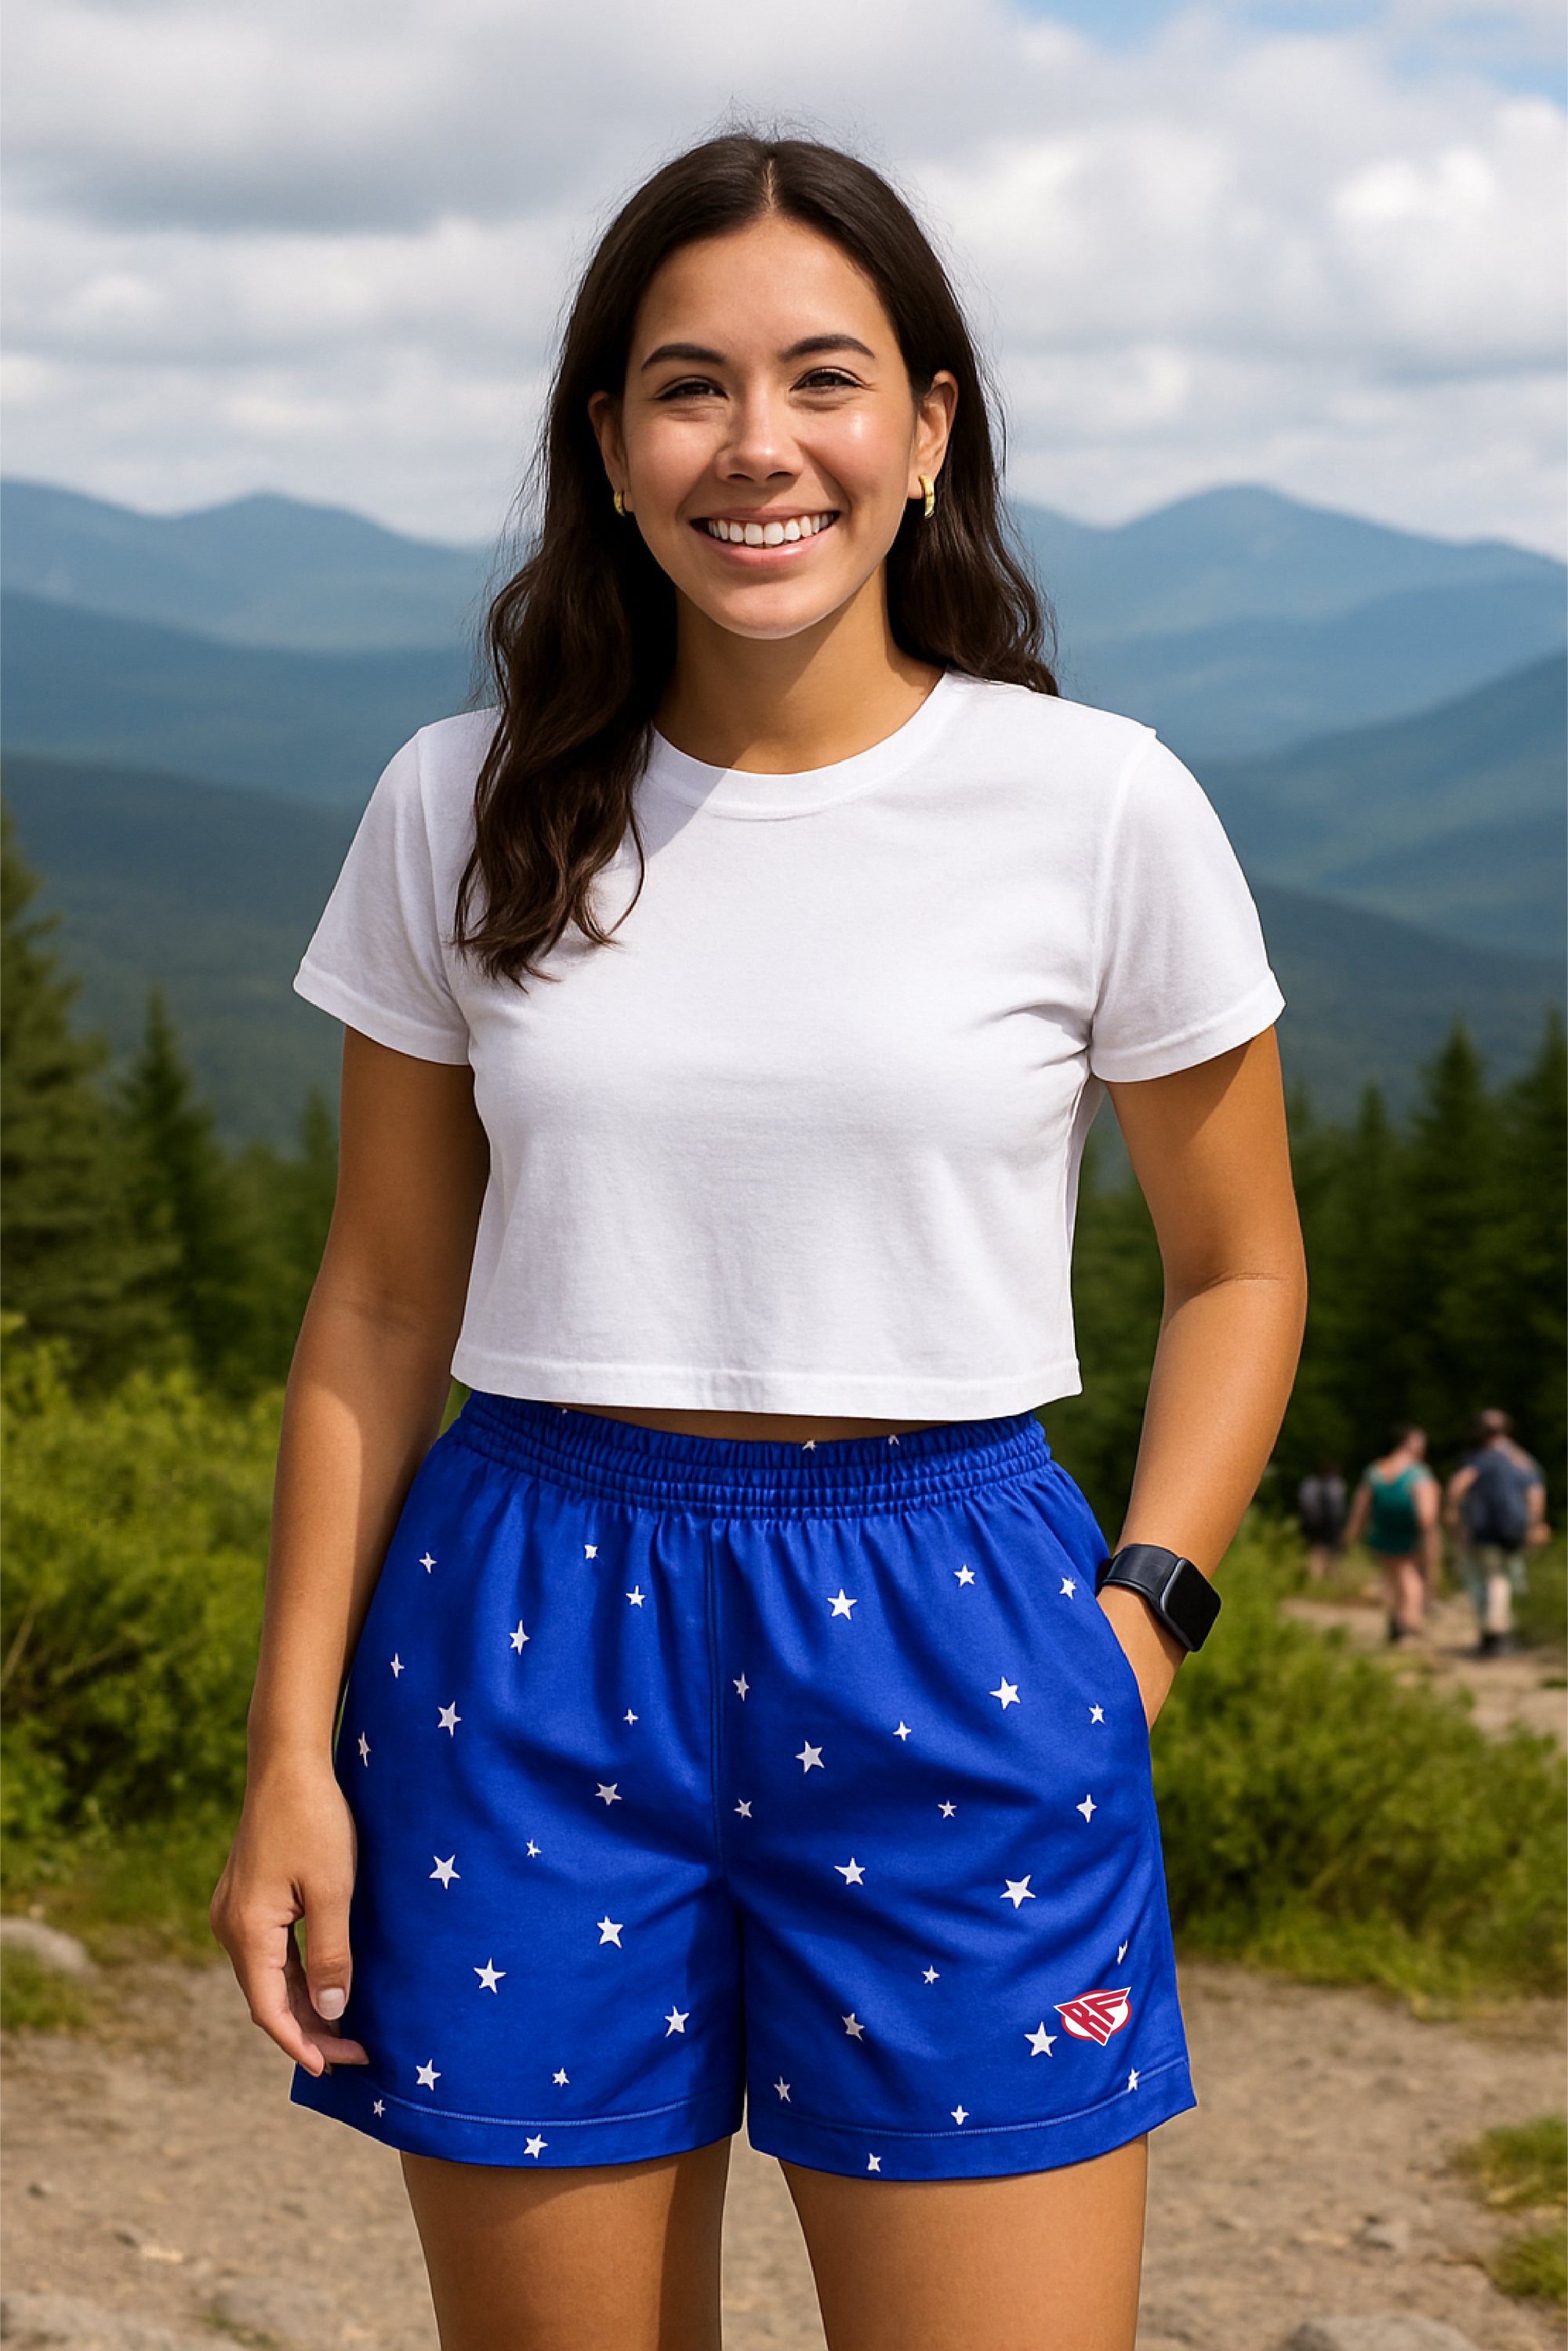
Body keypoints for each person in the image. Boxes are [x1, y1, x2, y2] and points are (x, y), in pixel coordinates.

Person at [210, 134, 1305, 2351]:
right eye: (686, 385)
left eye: (825, 377)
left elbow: (1240, 1266)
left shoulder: (1101, 806)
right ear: (609, 450)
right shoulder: (463, 792)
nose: (757, 444)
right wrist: (291, 1742)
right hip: (523, 1626)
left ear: (929, 425)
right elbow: (382, 1298)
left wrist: (1142, 1625)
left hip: (960, 1620)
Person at [1446, 1410, 1550, 1657]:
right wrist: (1534, 1525)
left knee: (1489, 1579)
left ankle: (1492, 1631)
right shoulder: (1522, 1459)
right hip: (1513, 1529)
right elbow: (1536, 1494)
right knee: (1503, 1578)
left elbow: (1459, 1484)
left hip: (1483, 1529)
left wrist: (1452, 1512)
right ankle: (1499, 1632)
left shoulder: (1477, 1458)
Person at [1344, 1425, 1440, 1642]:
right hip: (1408, 1532)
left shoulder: (1376, 1470)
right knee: (1409, 1576)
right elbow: (1427, 1515)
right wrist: (1430, 1538)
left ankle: (1396, 1620)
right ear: (1413, 1444)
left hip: (1382, 1531)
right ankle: (1410, 1622)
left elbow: (1361, 1505)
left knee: (1390, 1577)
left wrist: (1353, 1532)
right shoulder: (1419, 1473)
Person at [1297, 1457, 1346, 1580]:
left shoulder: (1309, 1484)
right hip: (1331, 1524)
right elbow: (1339, 1506)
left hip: (1314, 1523)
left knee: (1317, 1553)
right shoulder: (1337, 1484)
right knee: (1333, 1555)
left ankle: (1316, 1580)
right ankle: (1331, 1581)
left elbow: (1304, 1504)